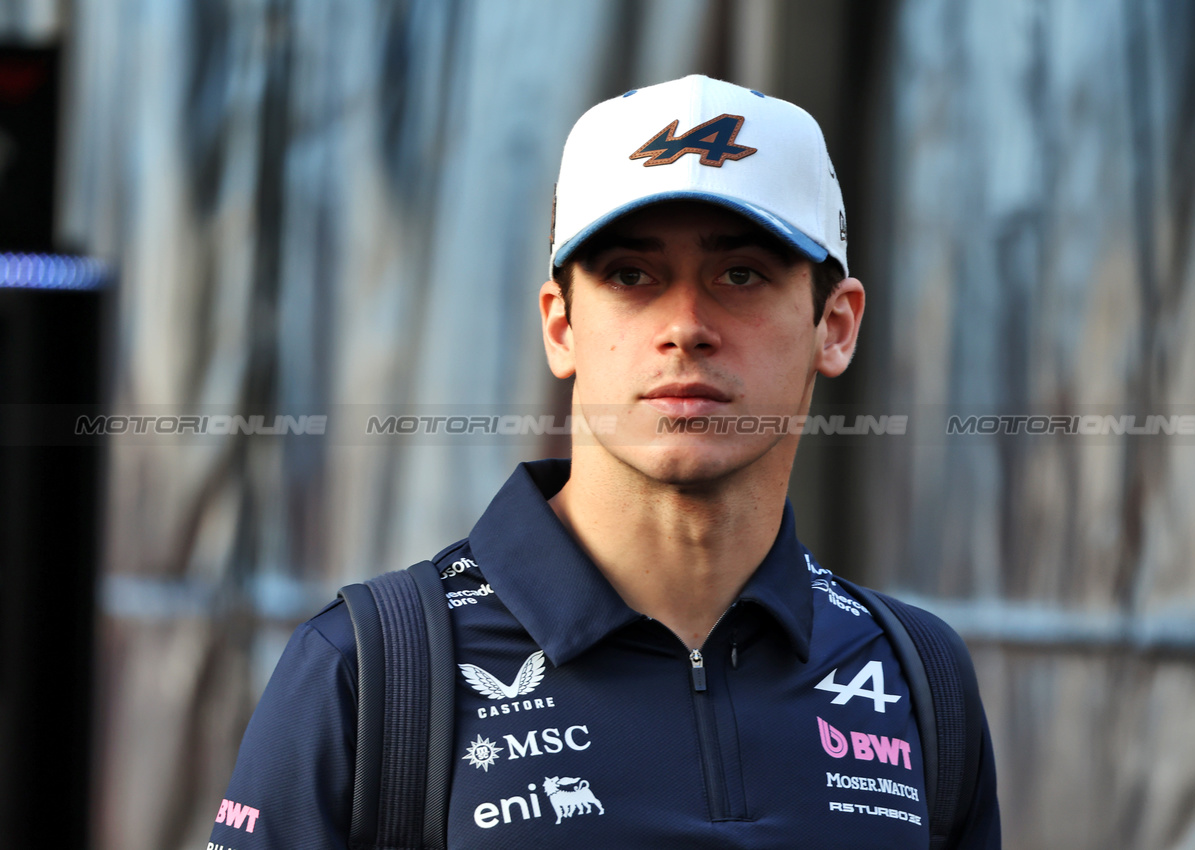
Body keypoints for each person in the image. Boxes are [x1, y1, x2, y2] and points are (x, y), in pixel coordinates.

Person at [209, 74, 1000, 849]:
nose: (685, 326)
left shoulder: (918, 679)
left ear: (835, 325)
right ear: (560, 327)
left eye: (741, 274)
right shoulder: (367, 672)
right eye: (630, 275)